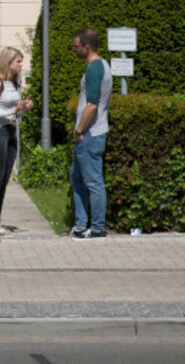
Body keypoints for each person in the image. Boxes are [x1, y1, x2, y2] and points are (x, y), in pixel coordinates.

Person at [0, 46, 33, 243]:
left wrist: (22, 110)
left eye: (21, 61)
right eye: (18, 61)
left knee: (4, 179)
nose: (21, 65)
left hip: (11, 131)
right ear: (8, 62)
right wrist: (8, 114)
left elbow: (15, 114)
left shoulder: (15, 85)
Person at [69, 28, 113, 240]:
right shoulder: (100, 65)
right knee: (76, 177)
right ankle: (80, 225)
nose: (73, 49)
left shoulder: (95, 69)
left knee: (93, 181)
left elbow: (92, 105)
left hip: (90, 134)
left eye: (76, 46)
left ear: (87, 47)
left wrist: (79, 130)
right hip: (90, 133)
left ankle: (97, 228)